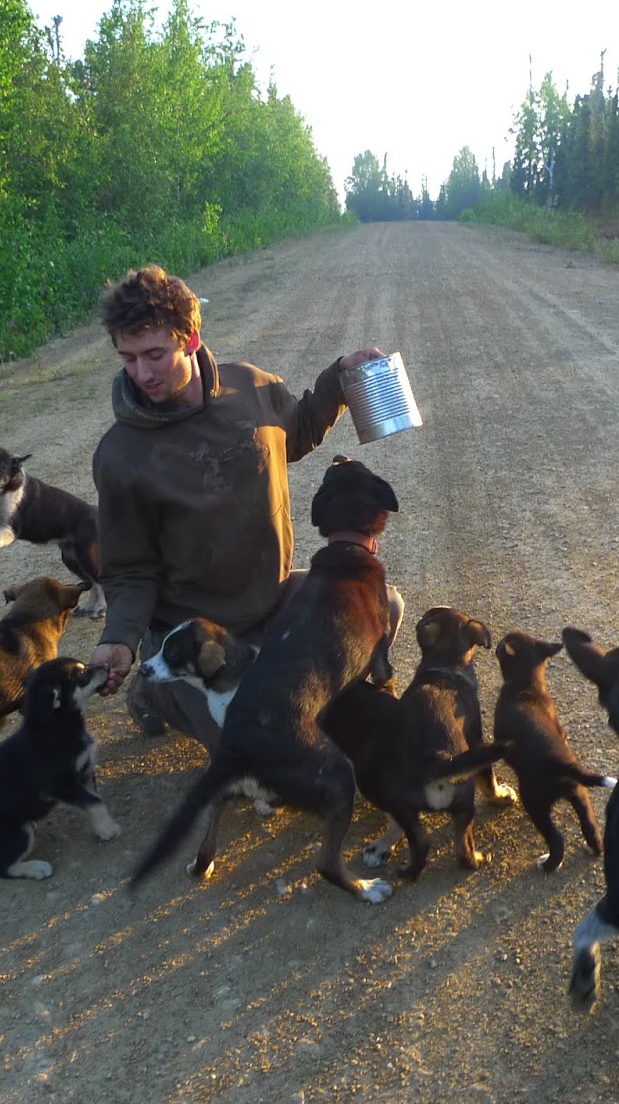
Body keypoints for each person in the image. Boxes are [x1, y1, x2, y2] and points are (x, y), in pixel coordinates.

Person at [88, 264, 401, 749]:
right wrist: (119, 637)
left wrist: (340, 379)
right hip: (198, 632)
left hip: (275, 601)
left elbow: (296, 433)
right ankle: (153, 690)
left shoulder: (251, 387)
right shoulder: (120, 455)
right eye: (128, 359)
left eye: (154, 354)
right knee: (255, 748)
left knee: (386, 606)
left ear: (190, 339)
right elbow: (130, 569)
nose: (142, 373)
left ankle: (301, 688)